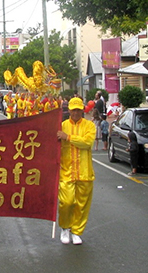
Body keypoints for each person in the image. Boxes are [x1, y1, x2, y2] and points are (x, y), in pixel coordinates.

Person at [56, 97, 96, 245]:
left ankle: (77, 231)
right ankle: (65, 228)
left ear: (82, 110)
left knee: (82, 205)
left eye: (78, 110)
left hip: (85, 172)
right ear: (69, 110)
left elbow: (87, 143)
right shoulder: (61, 126)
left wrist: (68, 137)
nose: (76, 113)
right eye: (73, 110)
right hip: (66, 172)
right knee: (66, 202)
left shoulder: (89, 126)